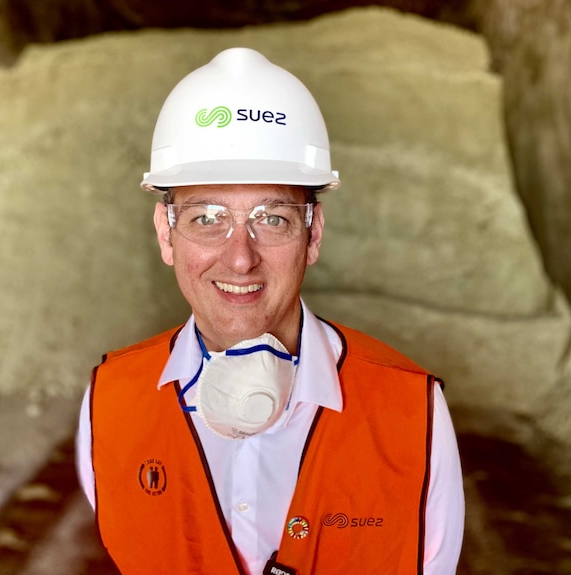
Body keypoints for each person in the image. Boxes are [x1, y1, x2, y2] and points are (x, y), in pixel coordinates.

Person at [76, 46, 464, 574]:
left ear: (314, 234)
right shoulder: (110, 404)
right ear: (167, 234)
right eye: (207, 217)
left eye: (273, 218)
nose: (240, 256)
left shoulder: (411, 412)